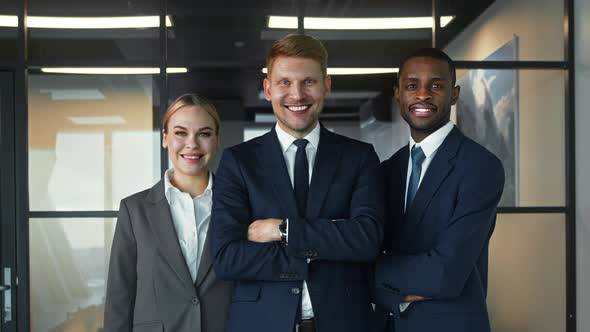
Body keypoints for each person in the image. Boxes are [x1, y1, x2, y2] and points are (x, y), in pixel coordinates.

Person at [210, 34, 384, 332]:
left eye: (309, 82)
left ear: (326, 86)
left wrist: (282, 230)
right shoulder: (239, 162)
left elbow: (367, 240)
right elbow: (228, 258)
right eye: (285, 82)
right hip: (261, 324)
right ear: (268, 89)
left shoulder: (359, 157)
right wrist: (326, 249)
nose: (297, 95)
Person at [372, 48, 505, 332]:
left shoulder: (480, 167)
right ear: (398, 94)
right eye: (411, 85)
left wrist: (373, 270)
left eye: (436, 85)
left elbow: (445, 273)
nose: (422, 95)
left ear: (454, 94)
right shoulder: (386, 171)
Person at [104, 93, 232, 332]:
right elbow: (119, 296)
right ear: (165, 138)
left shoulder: (239, 206)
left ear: (216, 140)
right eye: (180, 133)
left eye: (203, 134)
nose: (192, 144)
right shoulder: (134, 210)